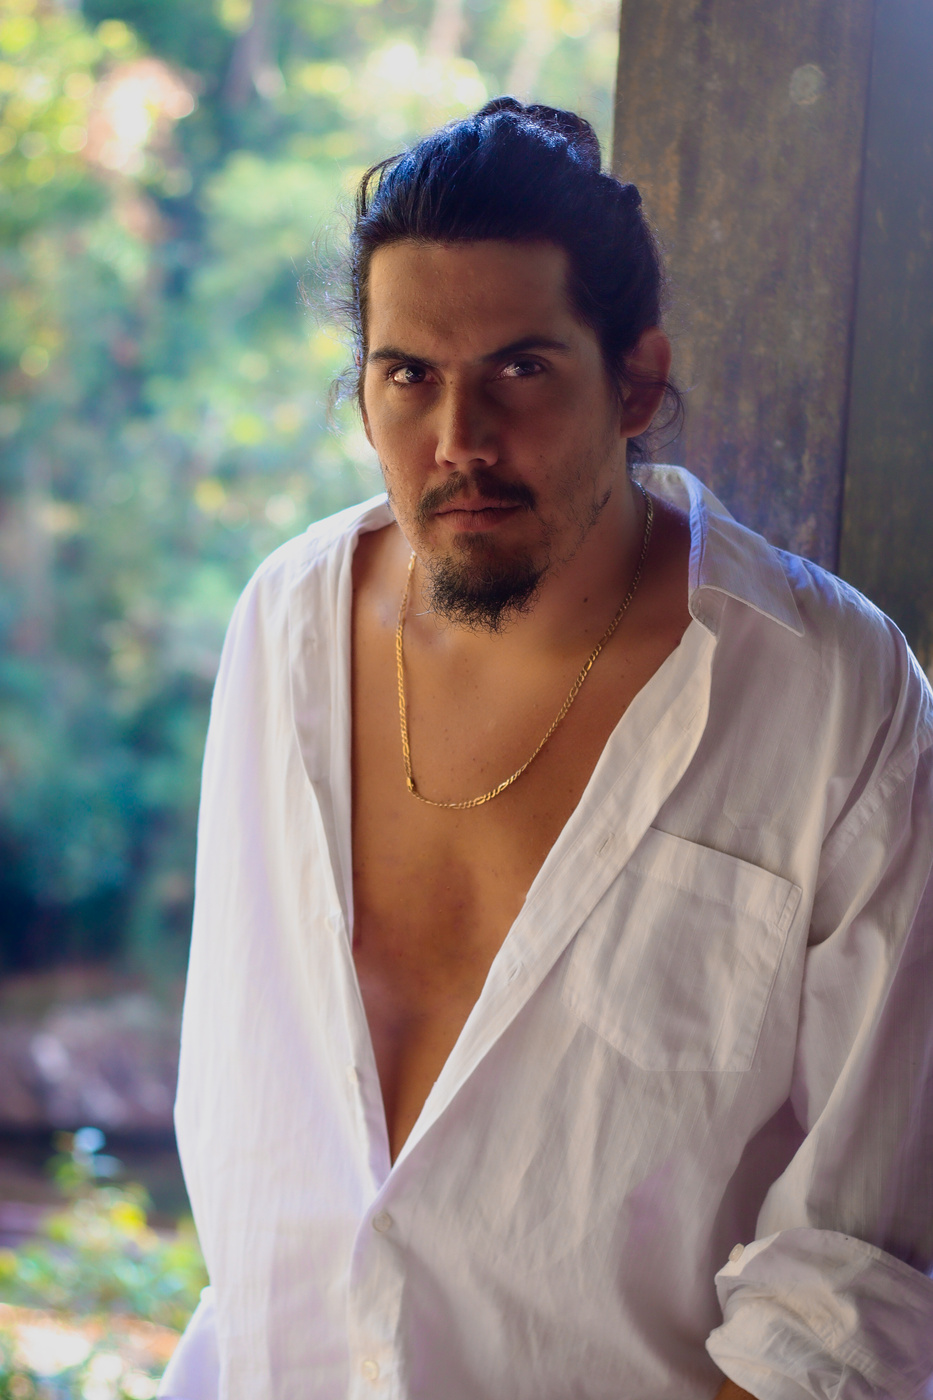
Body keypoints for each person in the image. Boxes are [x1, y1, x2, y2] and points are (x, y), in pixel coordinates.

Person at [158, 99, 933, 1400]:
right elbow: (267, 1148)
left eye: (519, 370)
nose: (458, 439)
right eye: (408, 375)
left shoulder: (831, 697)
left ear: (636, 382)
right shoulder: (284, 627)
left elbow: (855, 1279)